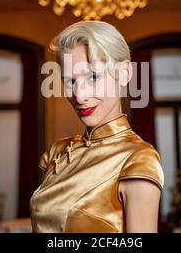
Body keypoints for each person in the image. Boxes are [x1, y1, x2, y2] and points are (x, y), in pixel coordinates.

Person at [30, 21, 164, 232]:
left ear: (125, 72)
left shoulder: (138, 160)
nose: (80, 96)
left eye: (93, 77)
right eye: (69, 82)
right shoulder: (58, 152)